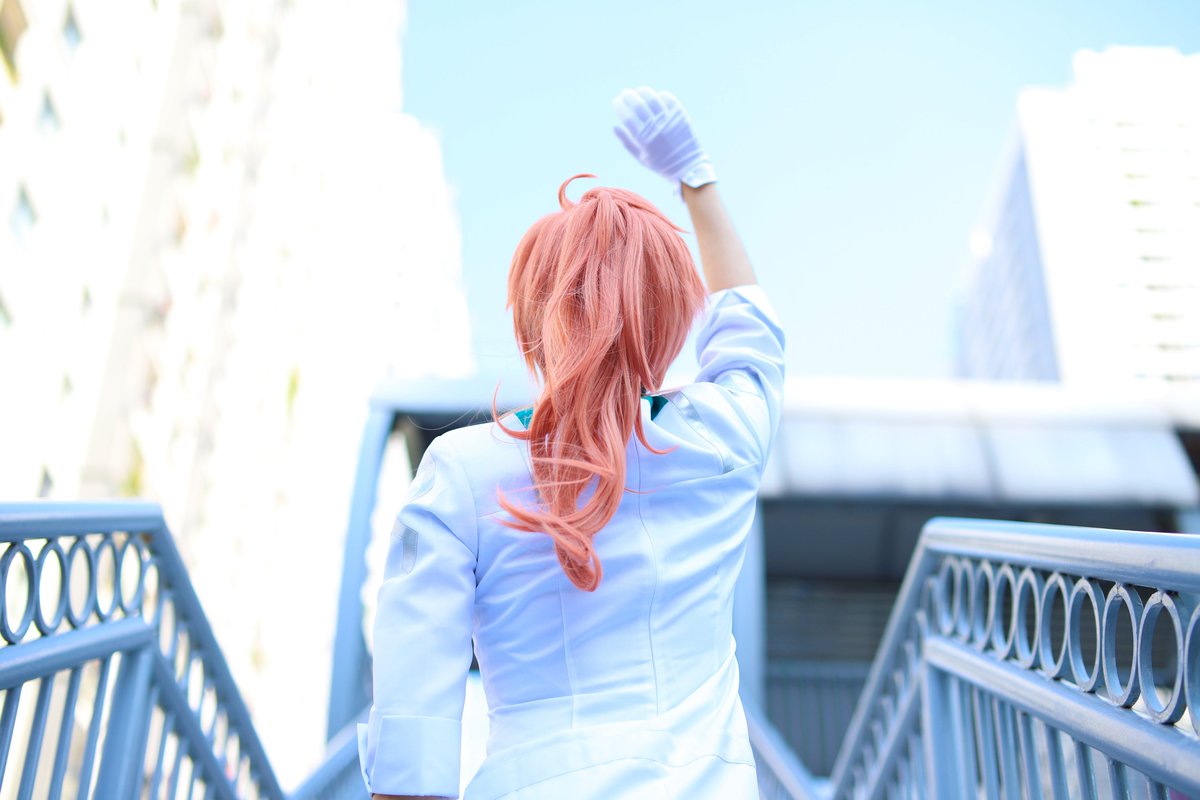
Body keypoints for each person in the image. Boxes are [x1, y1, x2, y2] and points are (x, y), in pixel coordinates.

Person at [358, 86, 785, 800]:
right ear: (673, 319)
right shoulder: (720, 441)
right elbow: (751, 335)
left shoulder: (463, 470)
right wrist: (694, 174)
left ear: (534, 318)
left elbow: (413, 729)